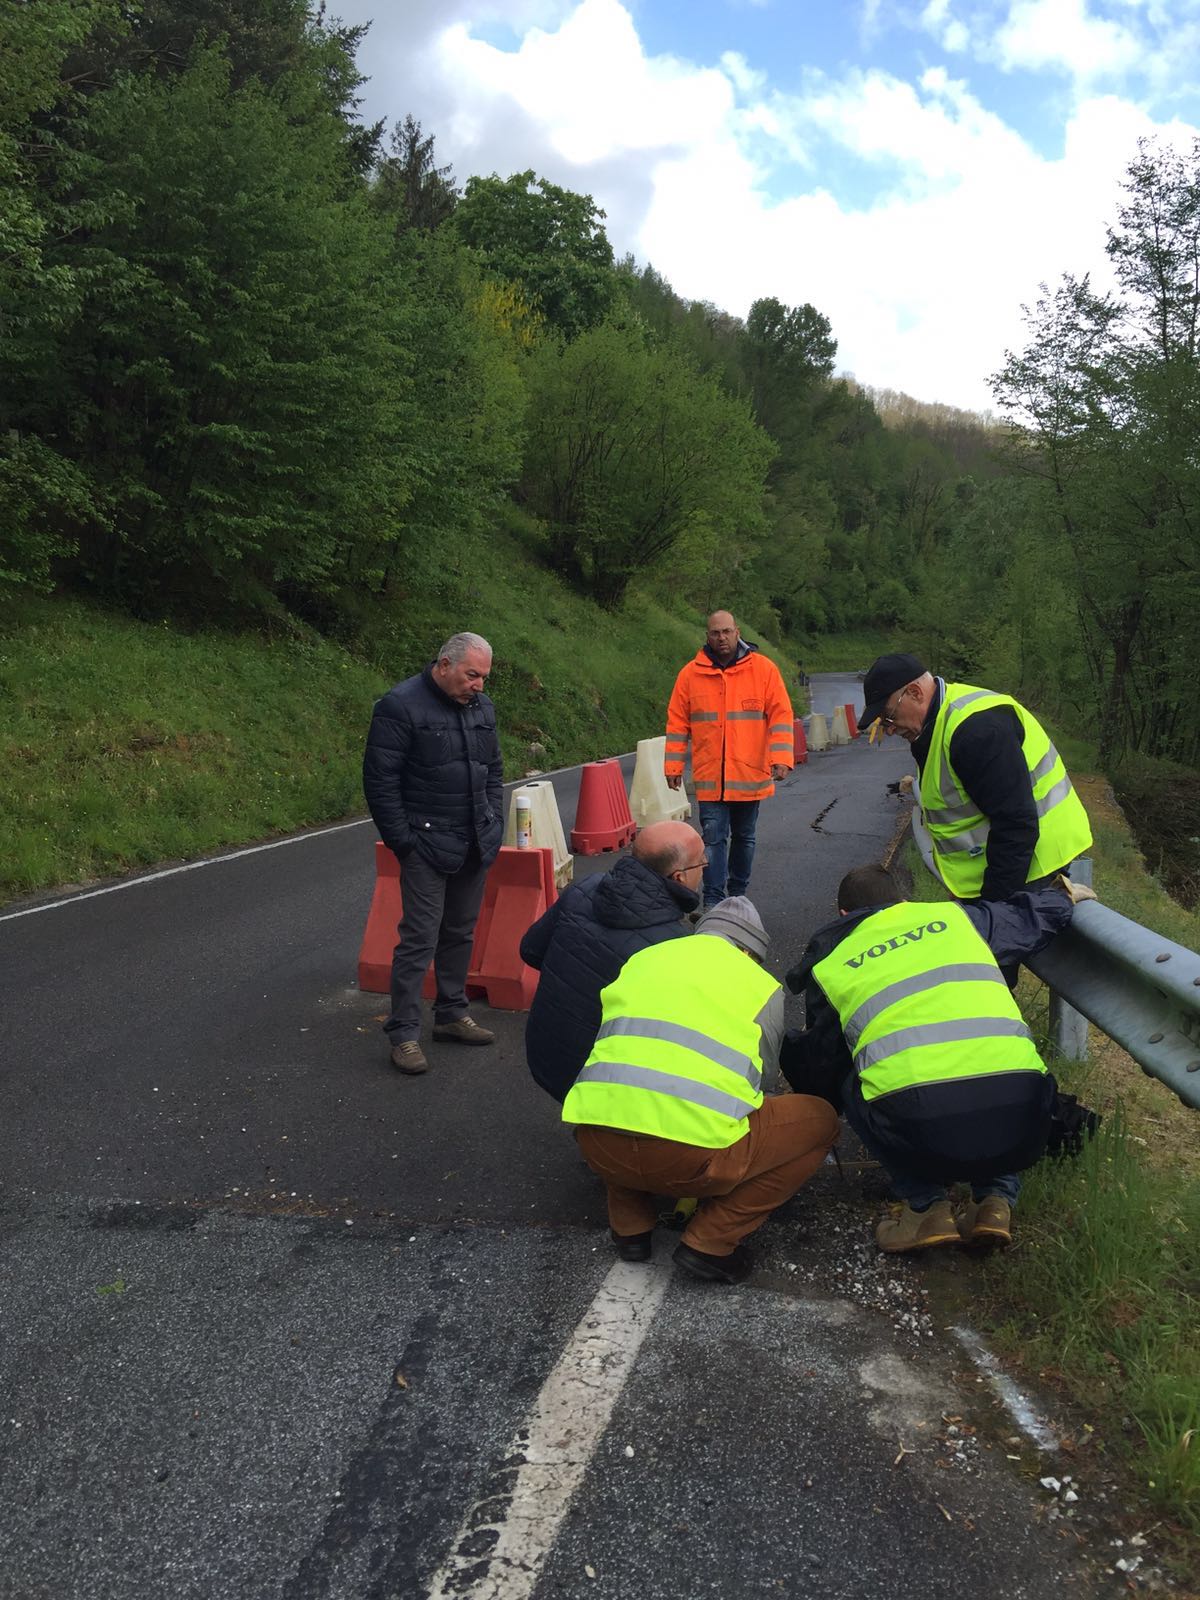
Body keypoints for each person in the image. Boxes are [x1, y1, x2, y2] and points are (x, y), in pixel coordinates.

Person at [781, 862, 1096, 1252]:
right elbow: (1026, 918)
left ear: (843, 915)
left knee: (849, 1073)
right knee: (994, 1058)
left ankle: (926, 1208)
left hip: (923, 1129)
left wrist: (811, 1112)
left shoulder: (832, 961)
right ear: (904, 901)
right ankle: (995, 1202)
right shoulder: (955, 918)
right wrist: (1061, 895)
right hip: (1027, 1121)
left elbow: (822, 1060)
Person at [561, 897, 839, 1284]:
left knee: (626, 1093)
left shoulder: (644, 961)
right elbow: (762, 1084)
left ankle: (630, 1229)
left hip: (597, 1144)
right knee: (820, 1122)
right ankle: (710, 1241)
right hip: (689, 1160)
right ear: (748, 949)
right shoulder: (759, 985)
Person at [362, 632, 503, 1075]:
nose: (478, 684)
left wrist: (493, 821)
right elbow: (380, 781)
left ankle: (451, 1014)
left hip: (474, 840)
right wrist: (404, 842)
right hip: (425, 842)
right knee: (419, 938)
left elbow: (493, 769)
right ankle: (404, 1034)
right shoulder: (399, 706)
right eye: (471, 674)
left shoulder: (482, 708)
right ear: (444, 665)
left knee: (460, 932)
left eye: (483, 676)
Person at [859, 653, 1092, 903]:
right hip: (1004, 874)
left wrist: (992, 908)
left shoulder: (976, 731)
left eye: (889, 715)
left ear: (915, 692)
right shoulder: (938, 724)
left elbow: (1016, 825)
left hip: (1032, 871)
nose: (890, 728)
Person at [519, 821, 704, 1104]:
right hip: (603, 1081)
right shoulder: (673, 943)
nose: (705, 868)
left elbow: (530, 950)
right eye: (702, 862)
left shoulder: (585, 887)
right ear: (680, 877)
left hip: (544, 1052)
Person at [664, 610, 794, 909]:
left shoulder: (763, 670)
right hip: (711, 779)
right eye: (715, 633)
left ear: (737, 632)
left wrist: (782, 758)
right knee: (713, 841)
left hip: (748, 774)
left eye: (726, 632)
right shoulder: (690, 674)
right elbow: (677, 724)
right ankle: (713, 902)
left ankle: (737, 897)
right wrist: (673, 767)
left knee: (745, 839)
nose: (721, 638)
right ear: (706, 636)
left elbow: (781, 716)